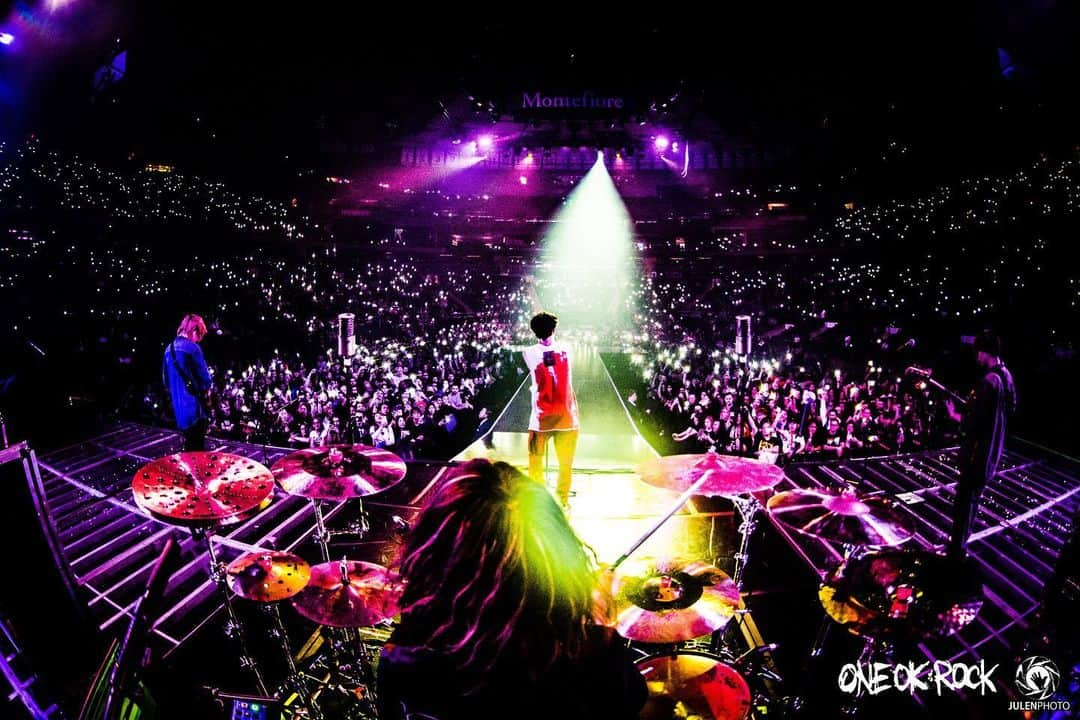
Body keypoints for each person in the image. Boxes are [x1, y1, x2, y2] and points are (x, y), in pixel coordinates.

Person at [377, 459, 646, 720]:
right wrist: (601, 620)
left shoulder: (401, 656)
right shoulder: (589, 659)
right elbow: (628, 702)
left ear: (433, 555)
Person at [944, 330, 1017, 562]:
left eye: (978, 352)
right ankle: (961, 546)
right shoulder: (1007, 376)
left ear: (985, 352)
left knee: (964, 505)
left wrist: (955, 415)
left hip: (978, 455)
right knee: (972, 503)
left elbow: (975, 422)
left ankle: (955, 554)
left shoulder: (989, 381)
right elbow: (1009, 409)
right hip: (992, 455)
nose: (977, 357)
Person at [522, 312, 579, 507]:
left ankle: (537, 502)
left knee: (535, 463)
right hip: (567, 418)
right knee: (565, 464)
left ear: (533, 331)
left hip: (541, 419)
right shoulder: (568, 349)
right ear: (554, 329)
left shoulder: (528, 353)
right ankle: (562, 500)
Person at [162, 313, 213, 451]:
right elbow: (206, 381)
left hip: (180, 414)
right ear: (194, 330)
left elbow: (166, 381)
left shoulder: (168, 350)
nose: (198, 340)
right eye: (199, 335)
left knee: (188, 452)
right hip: (196, 411)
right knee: (198, 452)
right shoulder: (193, 348)